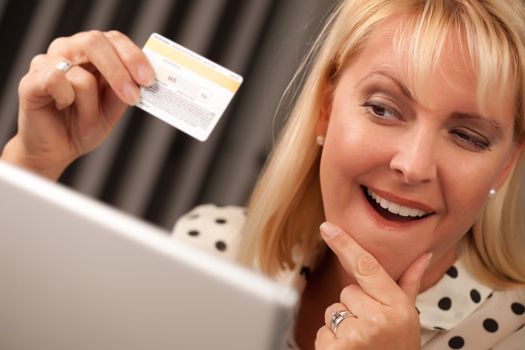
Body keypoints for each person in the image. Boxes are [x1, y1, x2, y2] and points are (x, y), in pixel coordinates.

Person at [2, 0, 525, 348]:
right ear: (324, 110)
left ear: (505, 163)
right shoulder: (212, 247)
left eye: (468, 136)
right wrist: (31, 164)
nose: (411, 165)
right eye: (384, 109)